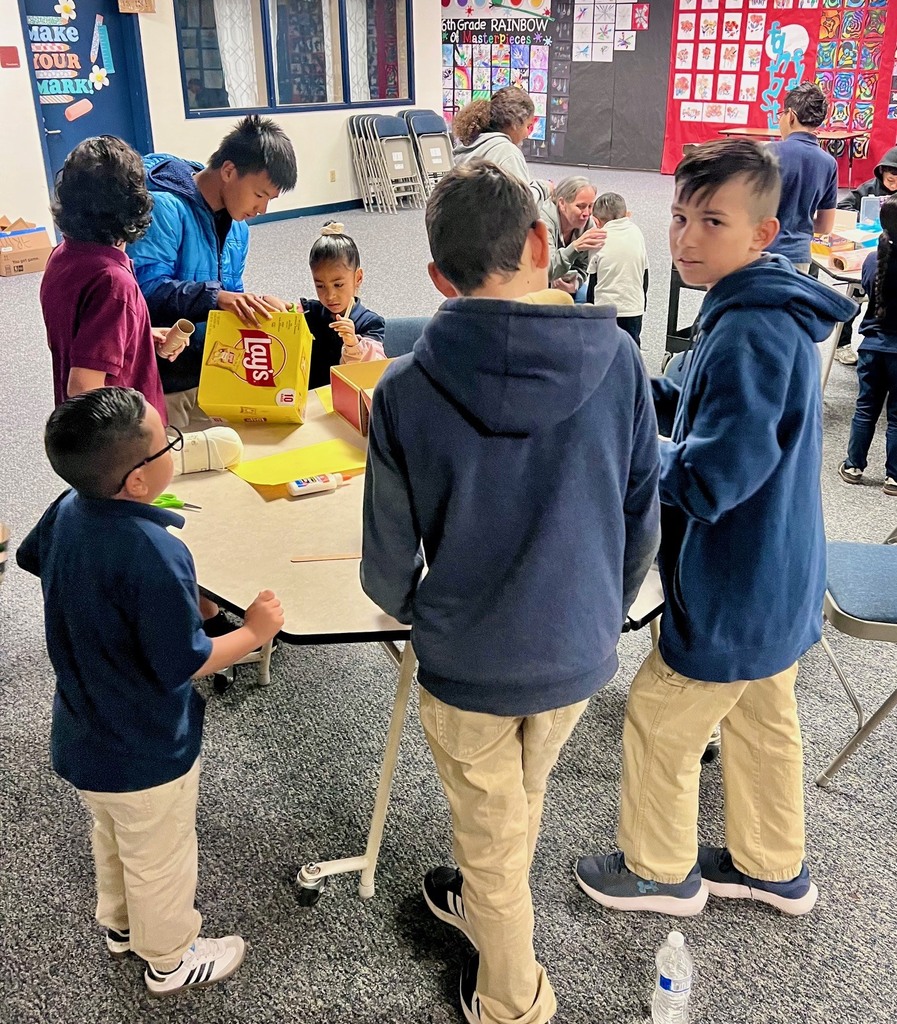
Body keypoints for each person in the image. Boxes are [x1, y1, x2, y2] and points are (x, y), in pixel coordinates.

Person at [360, 161, 660, 1024]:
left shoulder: (406, 388)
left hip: (465, 661)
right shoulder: (621, 363)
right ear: (542, 243)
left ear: (435, 280)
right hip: (576, 646)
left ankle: (511, 1001)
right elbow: (644, 517)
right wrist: (601, 608)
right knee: (517, 806)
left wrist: (427, 612)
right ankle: (485, 904)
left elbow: (386, 563)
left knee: (492, 837)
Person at [574, 139, 857, 919]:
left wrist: (630, 452)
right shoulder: (753, 307)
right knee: (763, 720)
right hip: (779, 577)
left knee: (661, 715)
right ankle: (773, 866)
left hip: (736, 583)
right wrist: (638, 396)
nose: (686, 239)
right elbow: (699, 403)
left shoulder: (747, 331)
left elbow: (708, 479)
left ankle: (660, 870)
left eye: (712, 221)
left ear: (762, 234)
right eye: (678, 216)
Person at [16, 388, 284, 997]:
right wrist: (252, 632)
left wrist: (147, 607)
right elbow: (184, 664)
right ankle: (168, 957)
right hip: (146, 748)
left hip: (83, 731)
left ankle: (119, 926)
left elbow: (39, 559)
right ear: (139, 481)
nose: (175, 449)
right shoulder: (155, 551)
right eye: (169, 443)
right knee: (161, 856)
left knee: (111, 836)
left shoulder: (68, 506)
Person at [129, 115, 298, 429]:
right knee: (171, 468)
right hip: (165, 380)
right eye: (260, 195)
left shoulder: (238, 229)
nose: (262, 209)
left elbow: (227, 302)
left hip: (213, 374)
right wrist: (217, 297)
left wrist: (255, 305)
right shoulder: (165, 209)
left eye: (270, 200)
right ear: (229, 171)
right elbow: (144, 294)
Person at [40, 136, 169, 422]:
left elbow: (83, 335)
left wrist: (137, 335)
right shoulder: (113, 283)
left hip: (88, 443)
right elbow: (84, 387)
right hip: (123, 441)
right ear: (135, 205)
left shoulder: (62, 255)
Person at [838, 195, 897, 497]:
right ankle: (894, 477)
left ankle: (853, 466)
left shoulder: (874, 259)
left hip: (872, 346)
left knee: (865, 408)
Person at [299, 222, 386, 390]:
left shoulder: (370, 323)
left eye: (338, 285)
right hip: (311, 400)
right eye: (320, 286)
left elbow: (373, 370)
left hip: (347, 403)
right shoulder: (310, 312)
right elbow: (288, 314)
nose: (330, 296)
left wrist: (353, 344)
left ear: (358, 278)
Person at [833, 146, 897, 365]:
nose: (893, 183)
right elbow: (843, 206)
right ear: (882, 172)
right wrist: (861, 219)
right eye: (890, 178)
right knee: (854, 297)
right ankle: (841, 344)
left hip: (894, 256)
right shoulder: (868, 188)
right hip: (868, 253)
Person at [766, 82, 838, 272]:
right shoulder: (829, 163)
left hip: (761, 251)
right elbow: (824, 225)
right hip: (800, 257)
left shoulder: (767, 153)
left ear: (790, 116)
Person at [452, 87, 551, 202]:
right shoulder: (507, 153)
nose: (527, 134)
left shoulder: (471, 144)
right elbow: (523, 206)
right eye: (527, 126)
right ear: (515, 123)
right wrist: (543, 188)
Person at [587, 192, 649, 346]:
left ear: (596, 220)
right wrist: (642, 302)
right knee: (631, 347)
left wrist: (591, 308)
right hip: (634, 307)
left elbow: (593, 281)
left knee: (604, 348)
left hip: (606, 309)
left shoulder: (598, 237)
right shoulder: (637, 232)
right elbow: (644, 273)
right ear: (627, 215)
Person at [537, 176, 604, 300]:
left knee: (589, 300)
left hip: (563, 282)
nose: (587, 214)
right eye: (581, 206)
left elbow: (584, 267)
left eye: (590, 206)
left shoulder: (588, 224)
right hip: (536, 282)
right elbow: (548, 270)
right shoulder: (543, 221)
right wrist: (575, 247)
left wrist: (576, 283)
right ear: (562, 204)